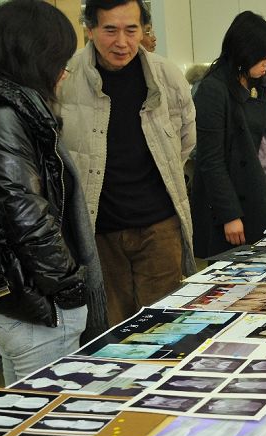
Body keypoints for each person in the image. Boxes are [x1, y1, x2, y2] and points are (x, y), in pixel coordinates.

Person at [0, 2, 107, 436]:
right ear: (33, 56)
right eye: (60, 58)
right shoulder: (6, 116)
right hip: (35, 301)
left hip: (9, 293)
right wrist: (70, 287)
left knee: (26, 431)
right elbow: (28, 217)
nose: (64, 70)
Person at [59, 0, 197, 326]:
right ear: (90, 29)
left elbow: (186, 138)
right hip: (99, 231)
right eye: (110, 30)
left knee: (165, 326)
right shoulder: (66, 78)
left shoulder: (165, 74)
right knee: (112, 329)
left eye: (131, 30)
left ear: (143, 29)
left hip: (159, 227)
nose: (122, 42)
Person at [190, 11, 266, 257]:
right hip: (236, 205)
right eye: (262, 56)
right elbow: (211, 160)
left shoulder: (257, 80)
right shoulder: (213, 90)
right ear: (243, 51)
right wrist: (229, 214)